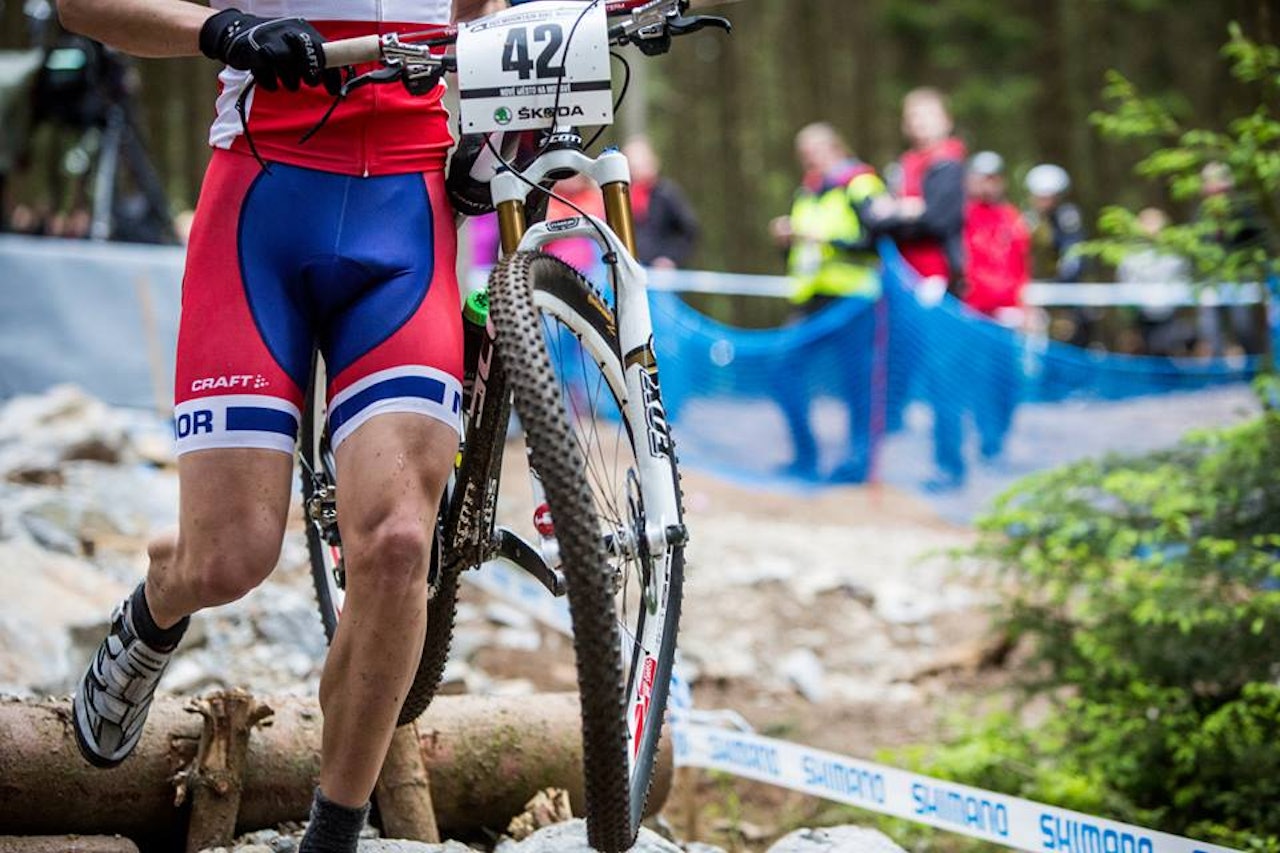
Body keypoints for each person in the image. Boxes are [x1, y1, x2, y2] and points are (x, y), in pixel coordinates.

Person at [58, 1, 495, 851]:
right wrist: (217, 28)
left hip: (409, 201)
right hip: (261, 197)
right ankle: (159, 600)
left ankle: (333, 832)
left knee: (401, 541)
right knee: (230, 557)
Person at [768, 122, 887, 481]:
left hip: (854, 301)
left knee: (858, 383)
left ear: (835, 146)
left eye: (813, 152)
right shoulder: (808, 191)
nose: (808, 160)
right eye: (803, 155)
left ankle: (860, 464)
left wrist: (827, 239)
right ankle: (806, 457)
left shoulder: (862, 183)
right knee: (779, 368)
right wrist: (789, 239)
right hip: (809, 301)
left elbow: (879, 240)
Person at [1194, 161, 1267, 356]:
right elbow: (1196, 247)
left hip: (1241, 281)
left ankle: (1254, 372)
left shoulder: (1244, 210)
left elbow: (1259, 242)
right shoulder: (1201, 214)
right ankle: (1218, 380)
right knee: (1211, 332)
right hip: (1211, 282)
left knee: (1244, 328)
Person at [1024, 163, 1091, 345]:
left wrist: (1061, 286)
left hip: (1065, 297)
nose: (1044, 201)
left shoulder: (1068, 219)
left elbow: (1074, 260)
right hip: (1035, 296)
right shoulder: (1028, 221)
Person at [1115, 207, 1194, 356]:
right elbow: (1125, 281)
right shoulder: (1130, 254)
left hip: (1168, 315)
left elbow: (1184, 278)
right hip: (1140, 317)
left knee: (1166, 347)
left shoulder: (1174, 253)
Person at [622, 135, 700, 269]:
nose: (636, 170)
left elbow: (688, 231)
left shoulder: (667, 193)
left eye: (641, 164)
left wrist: (670, 258)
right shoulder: (621, 196)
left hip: (660, 275)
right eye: (632, 165)